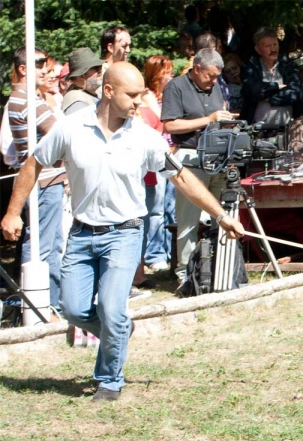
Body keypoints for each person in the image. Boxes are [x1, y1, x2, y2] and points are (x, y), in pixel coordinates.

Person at [0, 62, 244, 401]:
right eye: (132, 95)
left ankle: (109, 379)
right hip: (82, 234)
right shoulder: (71, 128)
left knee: (112, 308)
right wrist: (13, 212)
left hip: (125, 234)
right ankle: (118, 332)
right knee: (72, 309)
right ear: (109, 91)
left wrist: (220, 216)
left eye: (142, 94)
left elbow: (182, 177)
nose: (139, 102)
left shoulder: (145, 136)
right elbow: (34, 163)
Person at [161, 48, 234, 284]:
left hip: (217, 156)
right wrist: (209, 120)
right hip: (190, 157)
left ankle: (220, 269)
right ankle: (185, 274)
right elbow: (170, 126)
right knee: (189, 219)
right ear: (197, 68)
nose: (214, 81)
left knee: (220, 214)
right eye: (210, 76)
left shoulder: (216, 86)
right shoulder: (176, 87)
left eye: (217, 77)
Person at [7, 46, 66, 315]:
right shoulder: (28, 100)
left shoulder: (25, 99)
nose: (47, 69)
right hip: (44, 182)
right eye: (40, 63)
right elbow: (59, 133)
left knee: (49, 246)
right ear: (23, 68)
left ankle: (49, 305)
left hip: (45, 180)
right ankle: (39, 309)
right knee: (41, 248)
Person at [140, 55, 175, 272]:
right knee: (156, 209)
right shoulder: (146, 96)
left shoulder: (168, 95)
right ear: (156, 75)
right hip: (156, 159)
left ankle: (171, 251)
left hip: (172, 153)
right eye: (167, 72)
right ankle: (155, 254)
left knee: (171, 208)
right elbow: (162, 121)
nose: (170, 76)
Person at [240, 27, 303, 128]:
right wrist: (277, 86)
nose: (273, 49)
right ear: (258, 49)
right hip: (257, 131)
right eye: (268, 46)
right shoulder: (250, 67)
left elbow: (296, 93)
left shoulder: (288, 65)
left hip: (287, 130)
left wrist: (268, 97)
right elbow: (253, 91)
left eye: (275, 44)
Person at [61, 47, 104, 115]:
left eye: (99, 65)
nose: (100, 70)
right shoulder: (76, 100)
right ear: (81, 75)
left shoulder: (91, 93)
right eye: (95, 67)